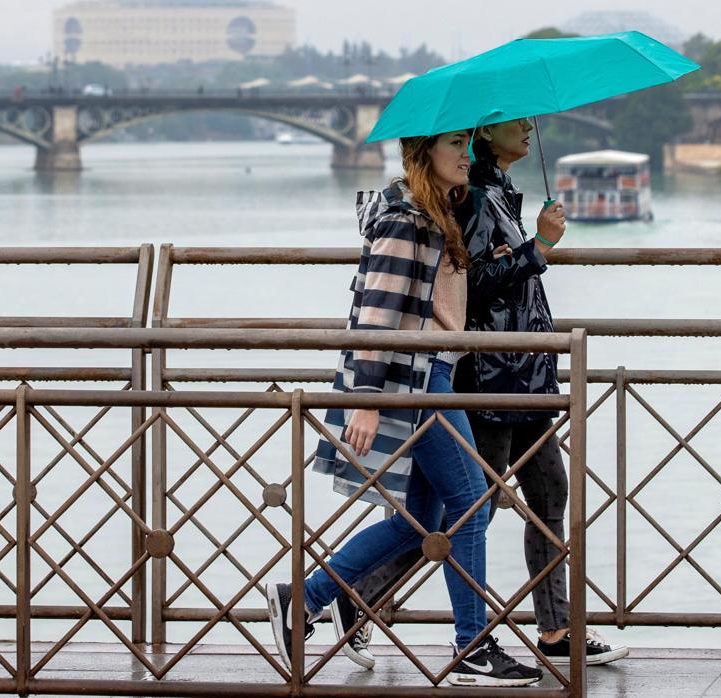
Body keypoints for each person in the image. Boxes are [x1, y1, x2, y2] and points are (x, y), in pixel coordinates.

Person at [329, 117, 628, 670]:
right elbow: (448, 293)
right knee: (468, 511)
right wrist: (538, 246)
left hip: (521, 372)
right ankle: (382, 608)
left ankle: (553, 628)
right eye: (519, 122)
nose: (531, 131)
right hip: (484, 376)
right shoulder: (458, 203)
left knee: (539, 498)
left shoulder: (484, 197)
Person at [266, 130, 542, 688]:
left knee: (424, 520)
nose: (467, 157)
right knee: (470, 508)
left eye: (467, 146)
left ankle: (305, 598)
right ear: (424, 155)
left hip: (431, 371)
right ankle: (472, 645)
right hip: (417, 380)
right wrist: (368, 399)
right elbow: (377, 308)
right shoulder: (405, 217)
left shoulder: (435, 211)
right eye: (456, 147)